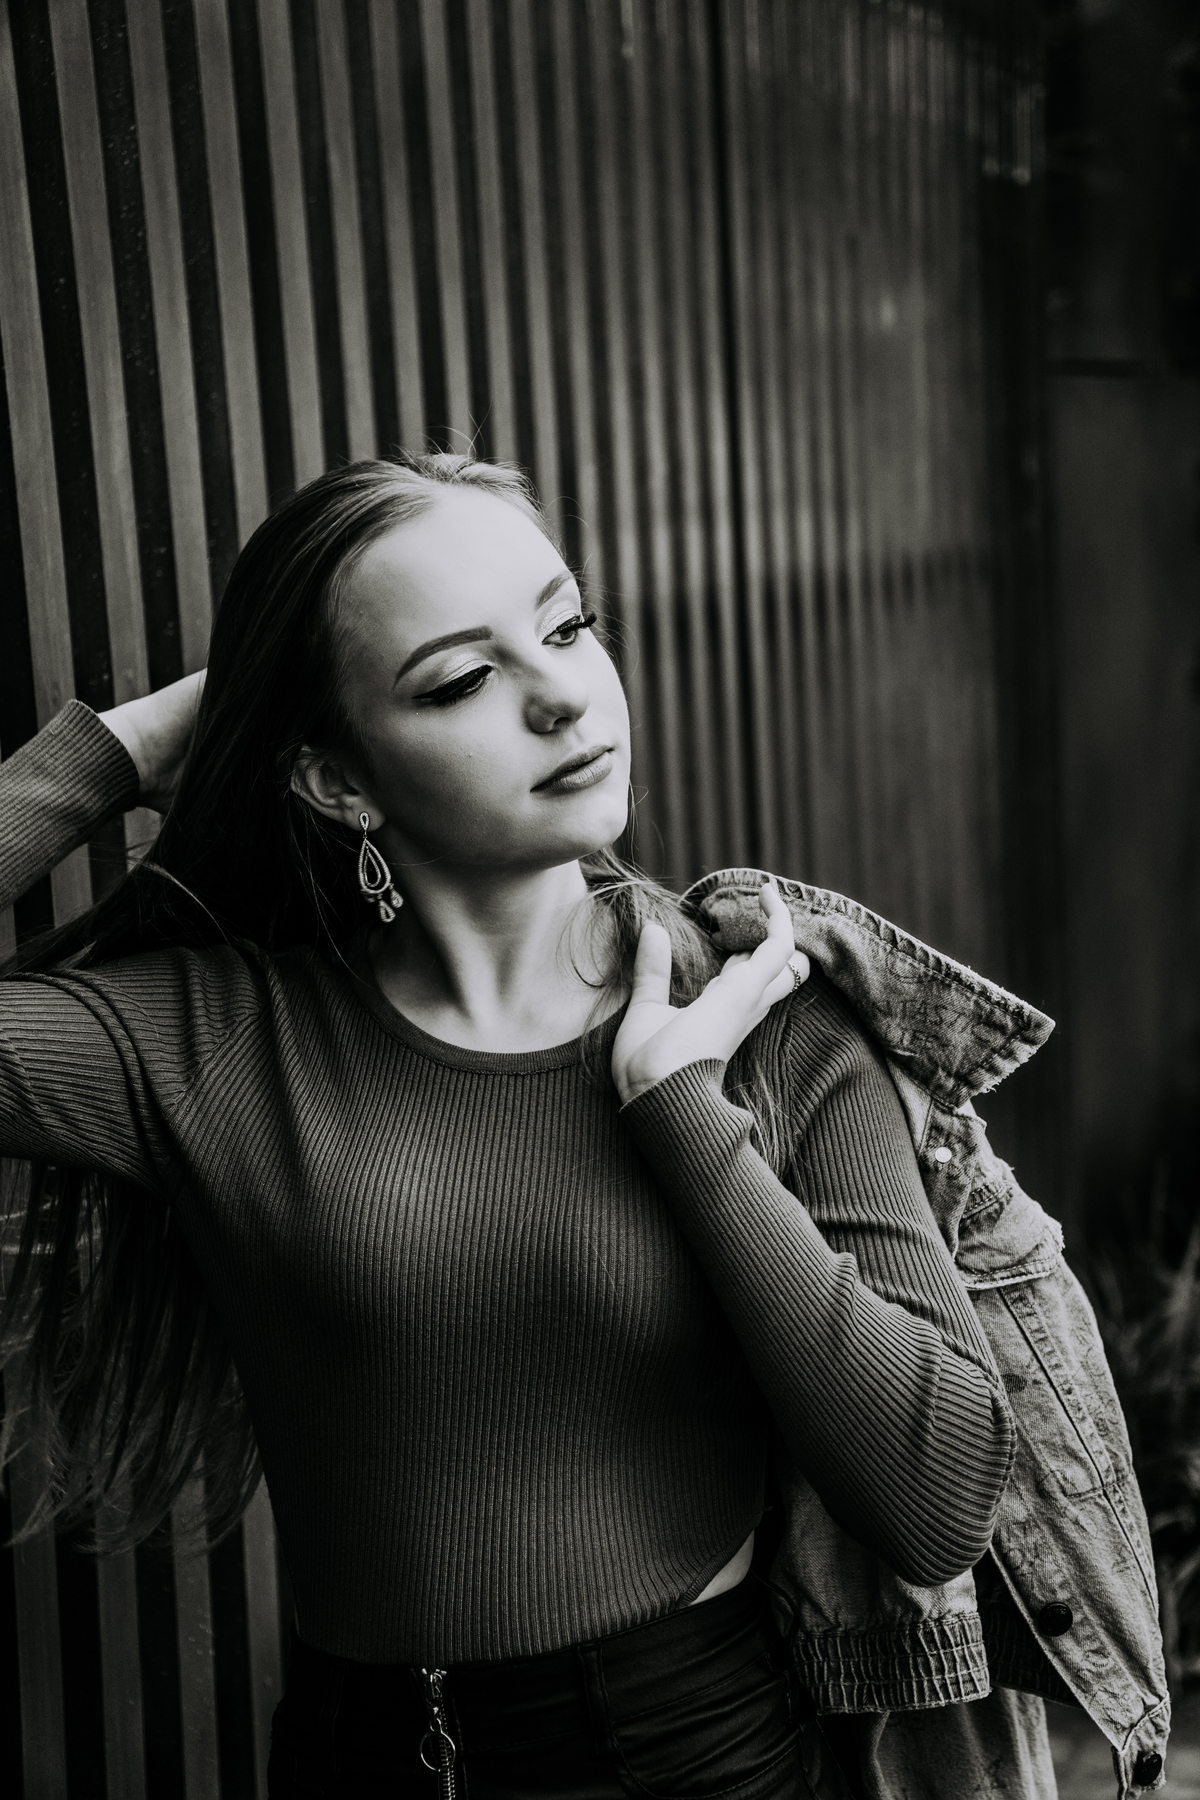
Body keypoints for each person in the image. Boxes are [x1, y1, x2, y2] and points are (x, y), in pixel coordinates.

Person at [0, 454, 1016, 1798]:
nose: (564, 696)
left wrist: (685, 1120)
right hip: (352, 1763)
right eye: (461, 678)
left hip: (690, 1761)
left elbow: (941, 1495)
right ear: (336, 779)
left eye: (569, 624)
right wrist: (123, 751)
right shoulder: (215, 1039)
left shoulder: (763, 1008)